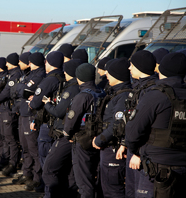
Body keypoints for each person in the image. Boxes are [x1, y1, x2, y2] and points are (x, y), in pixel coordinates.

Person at [125, 52, 186, 198]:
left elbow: (133, 132)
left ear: (162, 69)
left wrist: (136, 151)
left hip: (156, 168)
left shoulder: (156, 95)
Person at [116, 50, 158, 198]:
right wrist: (124, 144)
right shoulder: (139, 88)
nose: (129, 68)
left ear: (140, 67)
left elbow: (148, 127)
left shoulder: (151, 91)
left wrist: (138, 153)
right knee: (131, 192)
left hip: (142, 153)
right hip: (133, 149)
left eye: (132, 65)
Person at [63, 63, 105, 198]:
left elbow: (71, 119)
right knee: (95, 176)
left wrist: (67, 134)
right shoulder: (101, 92)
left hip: (82, 140)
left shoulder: (82, 96)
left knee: (84, 181)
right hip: (98, 139)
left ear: (79, 77)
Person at [92, 58, 132, 198]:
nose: (106, 75)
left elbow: (118, 124)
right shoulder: (115, 93)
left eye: (110, 73)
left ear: (117, 75)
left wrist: (99, 140)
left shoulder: (123, 96)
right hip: (108, 148)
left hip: (113, 149)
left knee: (113, 190)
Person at [42, 59, 82, 198]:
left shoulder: (72, 89)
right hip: (70, 135)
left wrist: (47, 104)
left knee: (49, 169)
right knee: (69, 172)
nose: (64, 72)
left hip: (65, 135)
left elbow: (59, 111)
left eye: (66, 70)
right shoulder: (74, 87)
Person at [28, 51, 65, 191]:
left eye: (47, 61)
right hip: (57, 124)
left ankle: (48, 189)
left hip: (48, 125)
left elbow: (37, 103)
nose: (45, 63)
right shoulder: (63, 77)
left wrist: (33, 102)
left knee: (46, 160)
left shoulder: (50, 79)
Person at [12, 52, 46, 189]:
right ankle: (27, 173)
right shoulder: (29, 74)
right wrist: (21, 88)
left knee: (33, 148)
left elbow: (25, 89)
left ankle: (37, 178)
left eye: (30, 62)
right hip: (23, 113)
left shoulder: (39, 75)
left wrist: (21, 88)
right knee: (25, 147)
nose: (28, 64)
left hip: (31, 114)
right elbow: (18, 89)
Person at [0, 53, 22, 176]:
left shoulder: (15, 75)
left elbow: (7, 92)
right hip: (4, 110)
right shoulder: (11, 74)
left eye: (8, 62)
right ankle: (5, 160)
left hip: (9, 111)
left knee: (10, 139)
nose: (6, 64)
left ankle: (13, 164)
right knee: (5, 137)